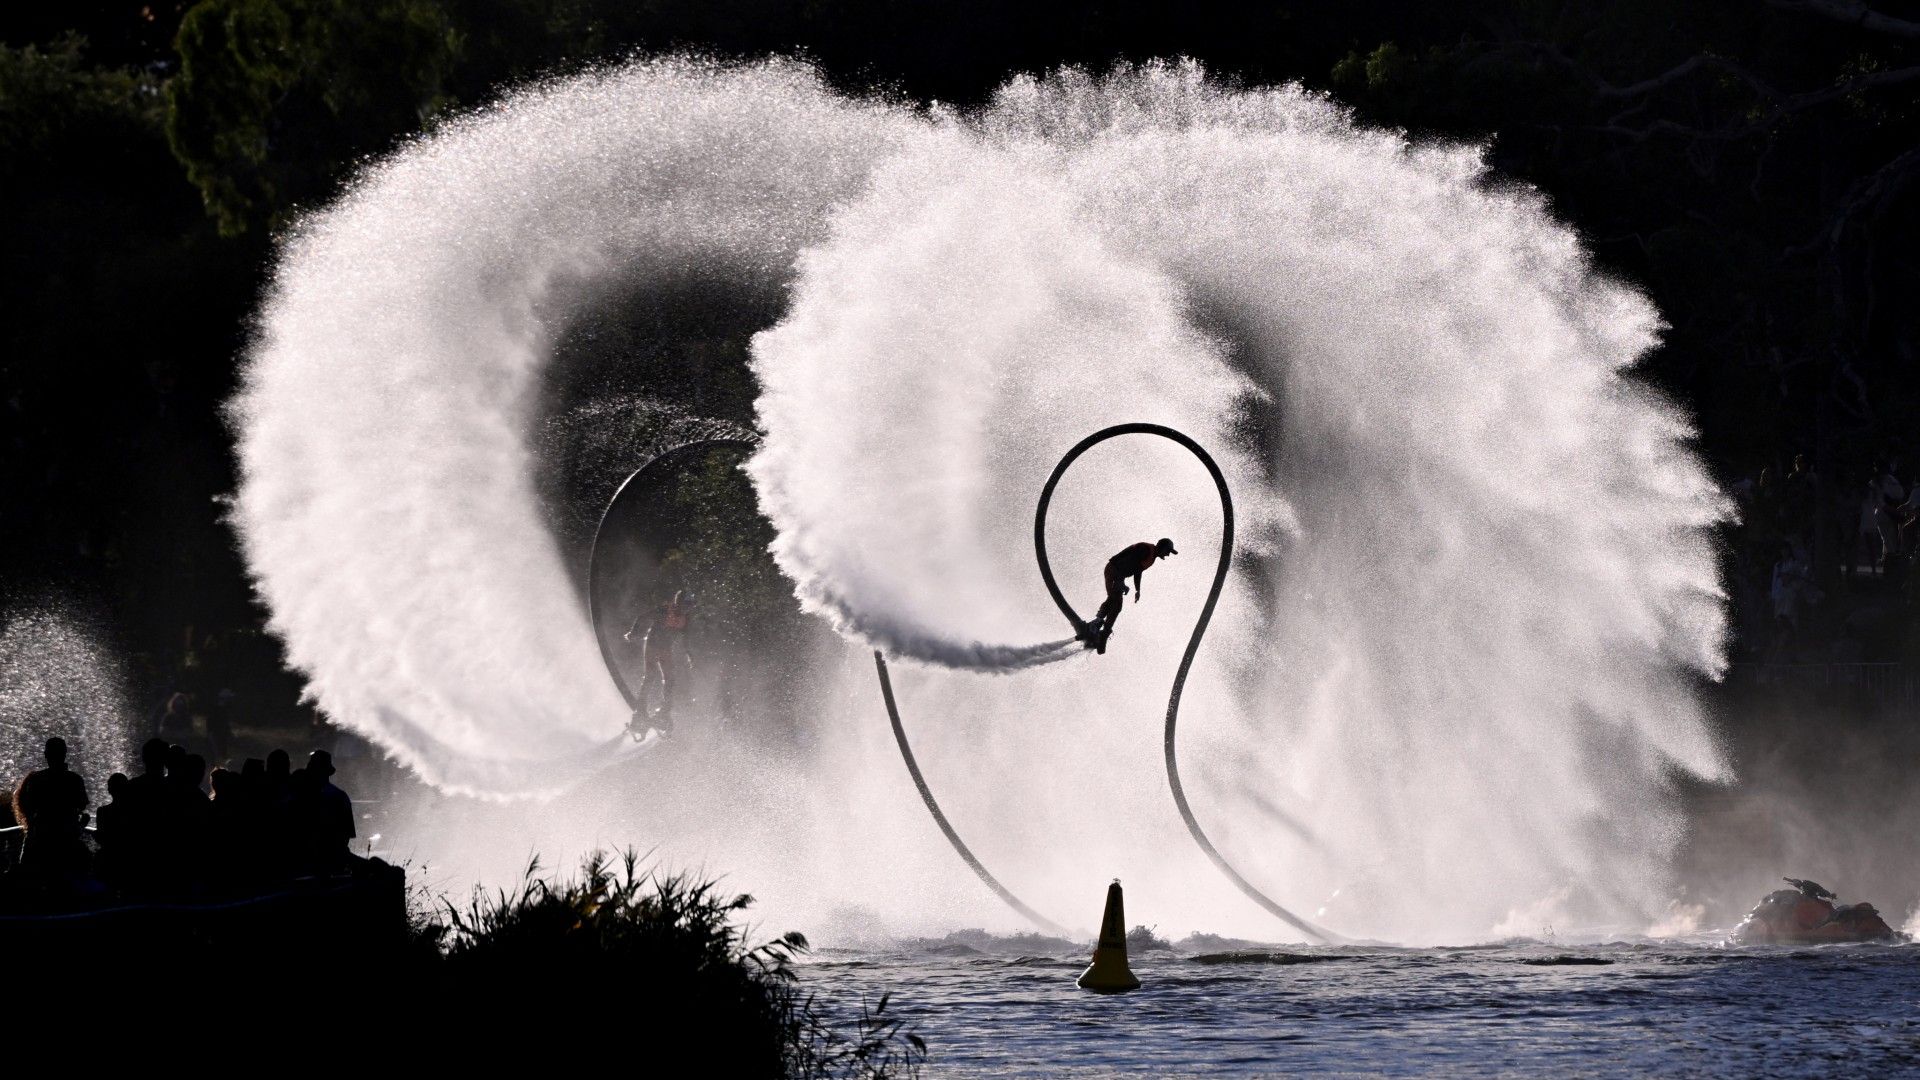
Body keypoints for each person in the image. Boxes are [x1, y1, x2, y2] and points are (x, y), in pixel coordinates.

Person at [12, 737, 90, 883]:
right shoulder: (75, 780)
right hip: (67, 843)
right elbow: (81, 805)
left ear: (46, 755)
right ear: (65, 754)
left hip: (41, 842)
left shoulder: (36, 780)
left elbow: (28, 806)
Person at [624, 589, 698, 733]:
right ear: (679, 603)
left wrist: (690, 653)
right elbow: (642, 617)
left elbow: (686, 636)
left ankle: (663, 713)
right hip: (652, 645)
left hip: (665, 649)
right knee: (650, 676)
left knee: (670, 679)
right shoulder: (664, 610)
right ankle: (641, 712)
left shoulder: (686, 618)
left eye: (690, 606)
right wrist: (634, 633)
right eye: (686, 605)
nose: (688, 609)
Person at [1088, 538, 1177, 654]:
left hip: (1118, 574)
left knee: (1113, 600)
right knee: (1116, 604)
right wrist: (1120, 581)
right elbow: (1125, 563)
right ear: (1162, 547)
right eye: (1168, 551)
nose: (1168, 554)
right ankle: (1102, 634)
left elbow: (1137, 571)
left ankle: (1096, 624)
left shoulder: (1151, 557)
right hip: (1113, 571)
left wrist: (1137, 590)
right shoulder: (1145, 550)